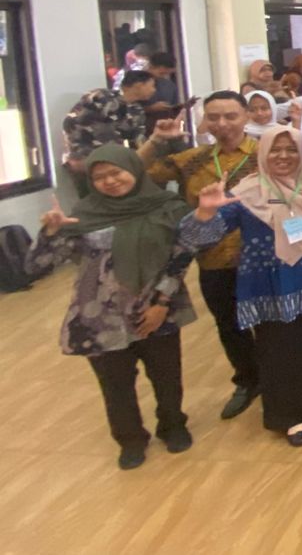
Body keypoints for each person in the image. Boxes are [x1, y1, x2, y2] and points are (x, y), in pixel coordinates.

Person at [183, 126, 302, 446]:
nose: (283, 156)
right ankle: (289, 416)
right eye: (275, 150)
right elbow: (200, 238)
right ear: (263, 153)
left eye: (291, 149)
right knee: (280, 351)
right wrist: (205, 210)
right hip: (271, 285)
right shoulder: (246, 193)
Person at [29, 146, 202, 469]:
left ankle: (173, 426)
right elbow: (37, 266)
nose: (109, 181)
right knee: (115, 385)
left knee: (167, 376)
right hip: (100, 317)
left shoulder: (167, 207)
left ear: (134, 169)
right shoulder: (84, 214)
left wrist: (161, 303)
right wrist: (52, 232)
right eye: (99, 177)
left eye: (116, 172)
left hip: (155, 307)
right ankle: (130, 439)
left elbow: (181, 256)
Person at [138, 92, 261, 421]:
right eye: (214, 117)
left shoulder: (268, 153)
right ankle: (248, 380)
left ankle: (278, 379)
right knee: (229, 325)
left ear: (246, 117)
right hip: (213, 258)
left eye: (231, 116)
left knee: (270, 323)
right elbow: (134, 174)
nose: (222, 123)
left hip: (263, 258)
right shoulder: (192, 159)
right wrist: (156, 140)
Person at [62, 71, 157, 192]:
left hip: (113, 162)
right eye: (152, 85)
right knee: (92, 196)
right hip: (84, 158)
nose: (154, 90)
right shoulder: (102, 96)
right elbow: (72, 121)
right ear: (139, 85)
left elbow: (137, 138)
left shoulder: (137, 110)